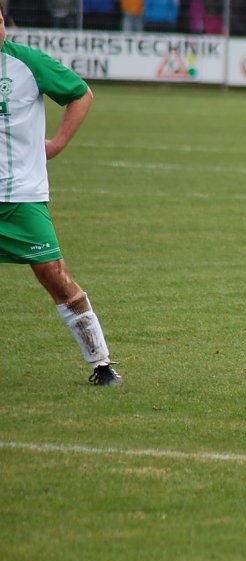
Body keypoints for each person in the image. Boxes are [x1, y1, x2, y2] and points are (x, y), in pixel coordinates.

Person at [0, 8, 122, 387]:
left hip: (20, 196)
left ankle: (101, 364)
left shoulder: (26, 64)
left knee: (54, 275)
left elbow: (81, 94)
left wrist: (58, 144)